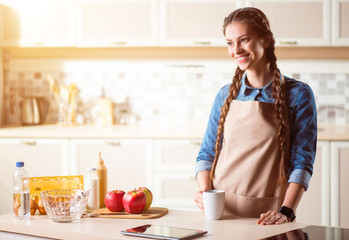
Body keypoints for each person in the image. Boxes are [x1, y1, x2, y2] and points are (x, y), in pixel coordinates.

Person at [194, 7, 317, 225]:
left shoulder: (297, 94)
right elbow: (206, 153)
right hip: (221, 212)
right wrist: (205, 193)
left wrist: (287, 211)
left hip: (269, 216)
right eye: (230, 43)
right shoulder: (225, 95)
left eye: (244, 40)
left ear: (266, 40)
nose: (236, 50)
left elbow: (302, 161)